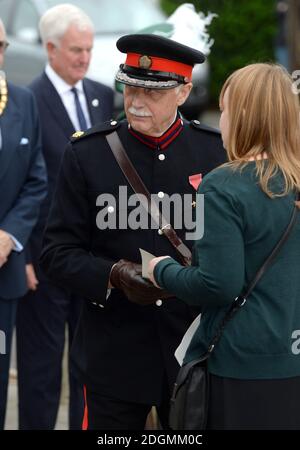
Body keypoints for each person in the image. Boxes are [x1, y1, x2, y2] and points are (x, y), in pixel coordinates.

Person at [39, 33, 226, 430]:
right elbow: (56, 252)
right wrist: (113, 275)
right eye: (131, 88)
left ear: (184, 91)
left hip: (192, 351)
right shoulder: (88, 153)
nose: (137, 101)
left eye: (152, 92)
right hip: (114, 354)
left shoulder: (217, 153)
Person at [149, 63, 300, 430]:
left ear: (245, 115)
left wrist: (161, 270)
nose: (223, 119)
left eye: (227, 109)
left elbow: (217, 284)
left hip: (241, 365)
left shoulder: (223, 186)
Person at [16, 4, 114, 430]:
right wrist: (22, 257)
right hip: (43, 259)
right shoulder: (28, 102)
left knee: (88, 367)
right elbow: (22, 182)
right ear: (51, 49)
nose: (85, 58)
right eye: (76, 50)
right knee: (41, 370)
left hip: (91, 260)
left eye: (89, 49)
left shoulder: (101, 94)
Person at [0, 18, 47, 430]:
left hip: (3, 271)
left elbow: (36, 180)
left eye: (0, 45)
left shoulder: (22, 101)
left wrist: (9, 235)